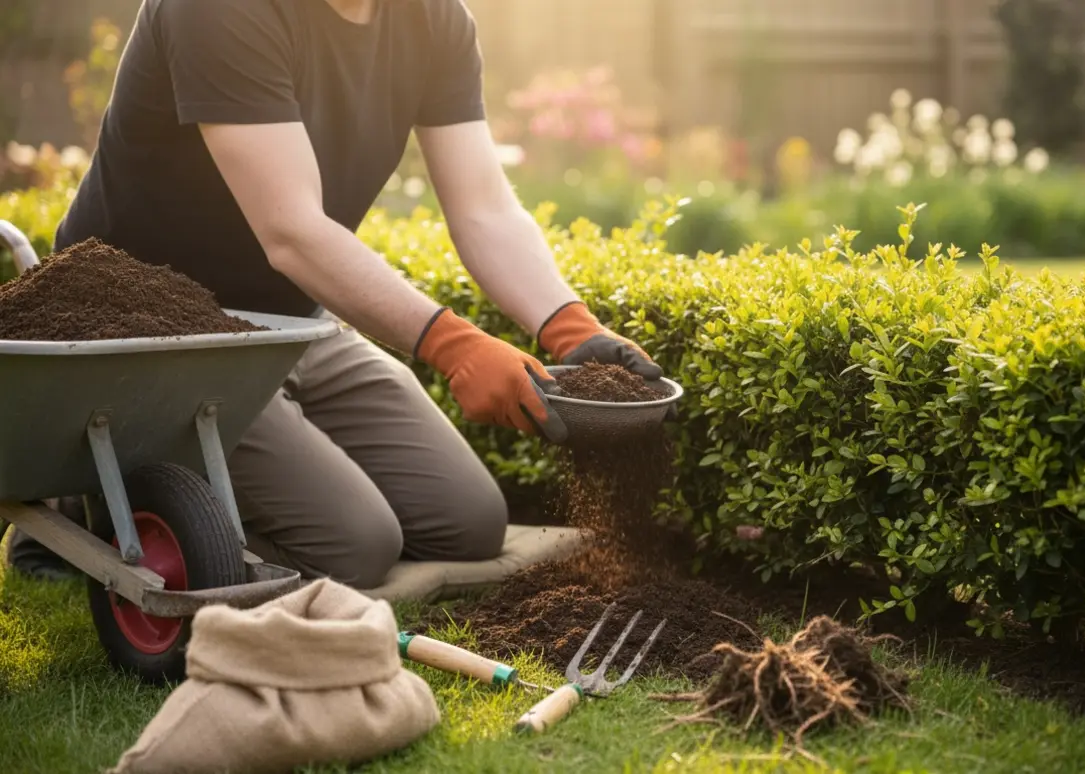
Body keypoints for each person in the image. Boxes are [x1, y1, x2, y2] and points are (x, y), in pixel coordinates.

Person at [4, 0, 662, 588]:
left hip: (290, 320)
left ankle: (190, 467)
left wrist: (570, 326)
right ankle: (81, 498)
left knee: (469, 521)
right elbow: (291, 229)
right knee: (356, 546)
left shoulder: (434, 19)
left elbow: (484, 208)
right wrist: (455, 347)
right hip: (151, 329)